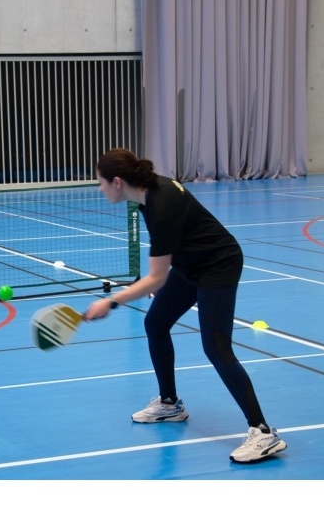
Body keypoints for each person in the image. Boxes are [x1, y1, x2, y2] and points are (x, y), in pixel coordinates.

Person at [84, 148, 286, 463]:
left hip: (218, 265)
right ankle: (170, 404)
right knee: (155, 323)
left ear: (118, 182)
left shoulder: (161, 202)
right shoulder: (146, 196)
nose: (100, 189)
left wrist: (110, 301)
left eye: (101, 182)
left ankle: (262, 433)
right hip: (190, 265)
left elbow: (155, 277)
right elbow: (167, 255)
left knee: (216, 347)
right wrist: (155, 280)